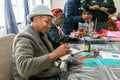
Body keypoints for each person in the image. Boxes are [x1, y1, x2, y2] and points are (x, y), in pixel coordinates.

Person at [12, 4, 70, 80]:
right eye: (47, 21)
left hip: (45, 73)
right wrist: (56, 54)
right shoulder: (24, 37)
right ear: (36, 18)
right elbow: (24, 69)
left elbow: (47, 55)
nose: (49, 26)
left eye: (50, 22)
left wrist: (60, 54)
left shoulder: (41, 35)